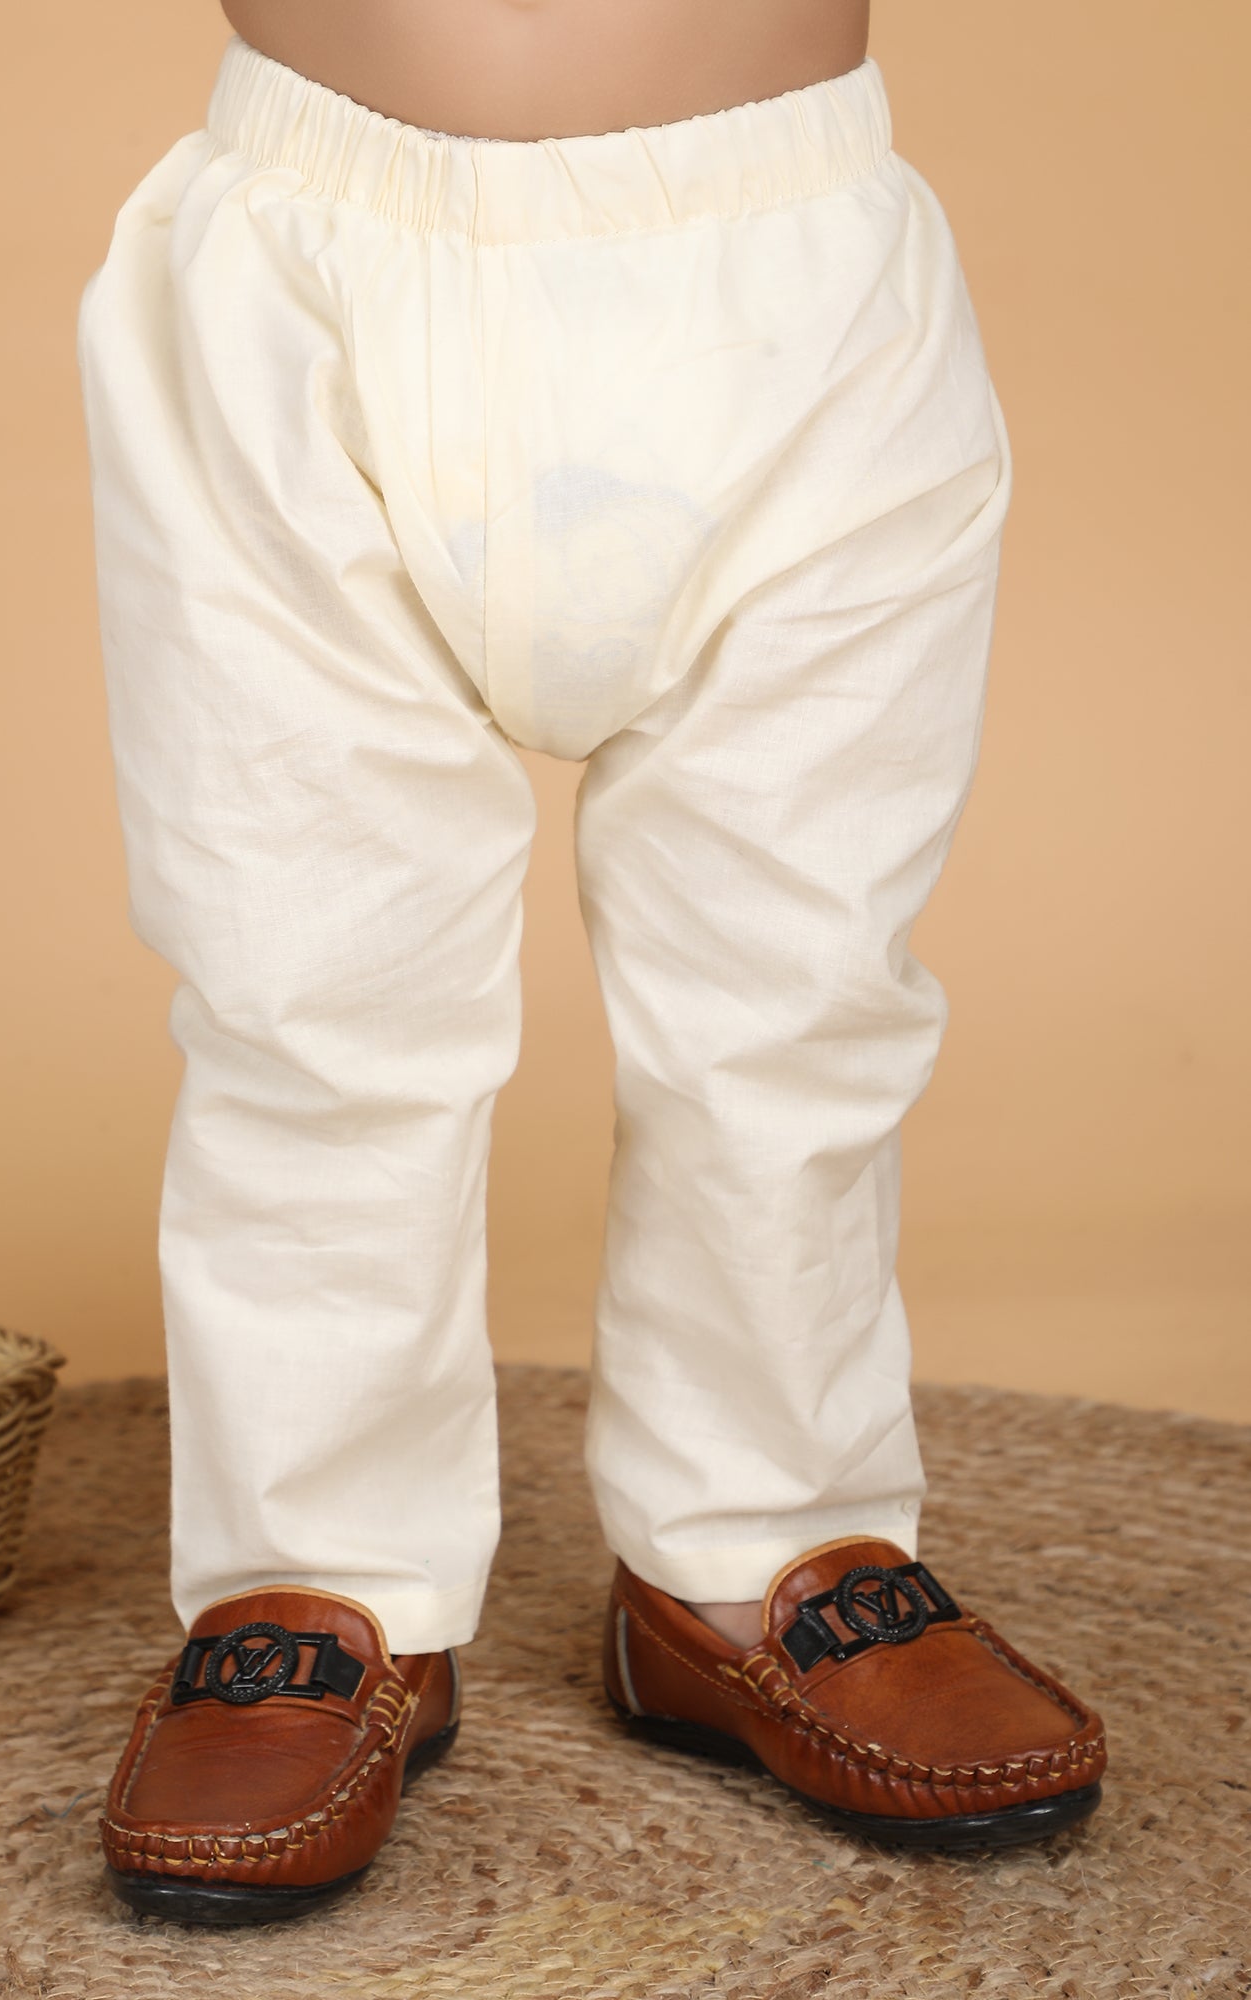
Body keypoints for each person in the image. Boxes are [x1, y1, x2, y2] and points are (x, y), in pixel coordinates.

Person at [75, 0, 1107, 1927]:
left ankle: (757, 1543)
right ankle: (323, 1569)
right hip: (298, 274)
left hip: (798, 286)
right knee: (305, 988)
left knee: (797, 994)